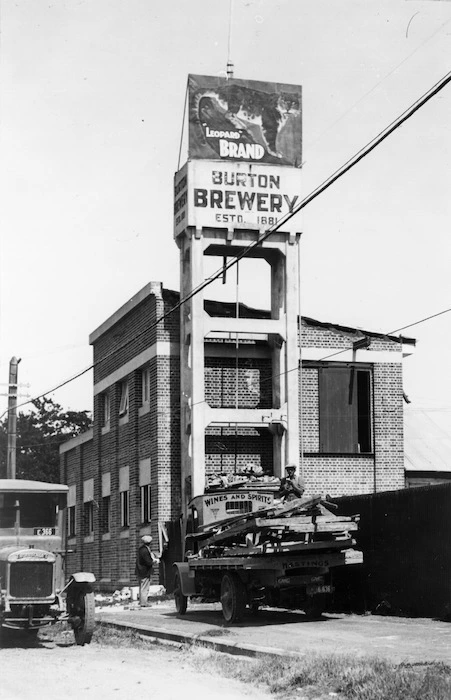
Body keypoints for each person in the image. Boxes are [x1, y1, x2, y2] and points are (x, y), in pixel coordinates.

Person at [135, 535, 160, 607]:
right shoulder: (145, 550)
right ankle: (144, 602)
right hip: (144, 571)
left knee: (142, 586)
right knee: (145, 587)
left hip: (140, 570)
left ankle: (141, 601)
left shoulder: (141, 549)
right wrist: (155, 561)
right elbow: (148, 561)